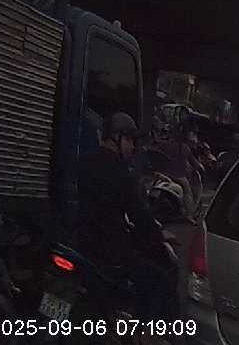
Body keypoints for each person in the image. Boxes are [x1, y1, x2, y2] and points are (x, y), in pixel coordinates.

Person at [76, 112, 177, 321]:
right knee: (160, 280)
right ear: (117, 137)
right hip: (108, 252)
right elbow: (138, 214)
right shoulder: (120, 172)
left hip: (78, 243)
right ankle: (148, 333)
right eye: (130, 140)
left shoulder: (83, 162)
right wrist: (158, 235)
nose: (132, 147)